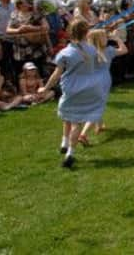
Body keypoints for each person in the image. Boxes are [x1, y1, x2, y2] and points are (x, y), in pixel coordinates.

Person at [37, 19, 100, 168]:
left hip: (70, 89)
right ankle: (68, 150)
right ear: (86, 32)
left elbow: (56, 75)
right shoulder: (92, 50)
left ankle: (66, 146)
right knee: (76, 122)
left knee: (67, 116)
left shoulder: (64, 53)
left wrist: (45, 89)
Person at [78, 29, 128, 143]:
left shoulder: (87, 51)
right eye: (105, 37)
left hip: (89, 81)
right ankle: (83, 134)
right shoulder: (109, 50)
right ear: (100, 40)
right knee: (98, 107)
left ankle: (99, 125)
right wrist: (116, 38)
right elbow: (124, 50)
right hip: (103, 81)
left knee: (95, 103)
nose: (107, 38)